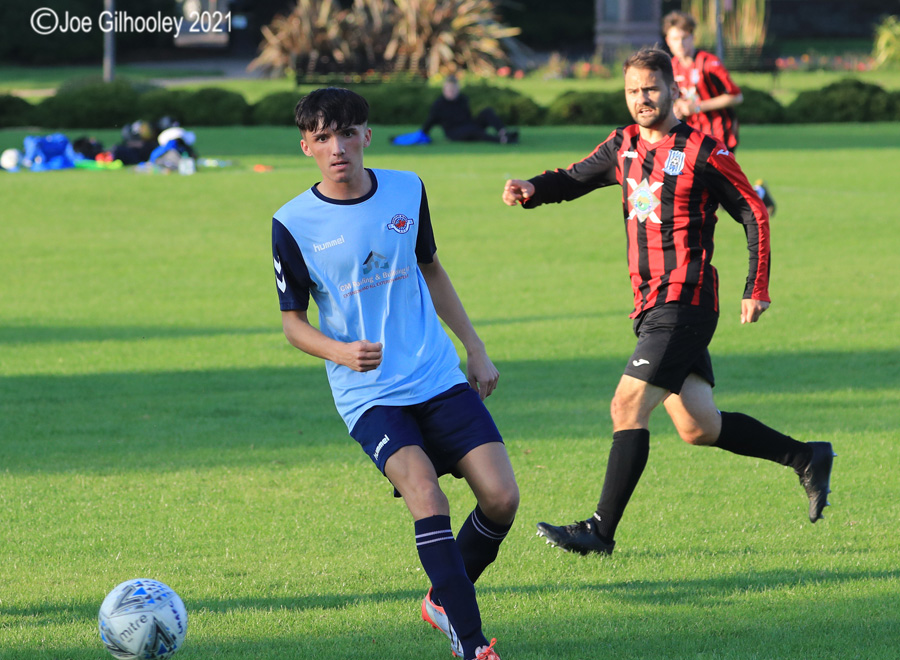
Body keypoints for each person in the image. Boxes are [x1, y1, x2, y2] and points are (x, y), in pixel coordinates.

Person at [501, 47, 833, 557]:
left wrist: (756, 286)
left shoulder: (704, 150)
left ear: (673, 89)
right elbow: (572, 178)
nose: (642, 99)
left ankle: (599, 530)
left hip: (687, 299)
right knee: (700, 427)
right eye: (633, 91)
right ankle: (807, 457)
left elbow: (752, 212)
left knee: (626, 404)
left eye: (651, 88)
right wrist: (532, 189)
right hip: (650, 305)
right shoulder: (622, 145)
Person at [272, 87, 516, 659]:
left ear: (366, 137)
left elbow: (431, 267)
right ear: (306, 145)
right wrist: (338, 351)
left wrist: (474, 348)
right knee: (426, 494)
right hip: (368, 393)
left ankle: (441, 599)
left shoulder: (408, 188)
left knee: (502, 498)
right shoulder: (292, 223)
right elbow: (291, 323)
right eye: (324, 137)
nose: (338, 148)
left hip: (434, 374)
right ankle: (472, 642)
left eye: (348, 133)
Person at [662, 10, 776, 215]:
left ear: (693, 38)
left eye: (684, 38)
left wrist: (697, 107)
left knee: (720, 192)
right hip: (693, 136)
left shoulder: (709, 63)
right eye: (675, 39)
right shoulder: (672, 67)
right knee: (699, 187)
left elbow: (735, 96)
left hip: (720, 133)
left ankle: (756, 195)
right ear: (667, 41)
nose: (680, 44)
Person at [421, 75, 518, 144]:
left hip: (469, 125)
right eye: (449, 90)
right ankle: (501, 140)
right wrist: (423, 134)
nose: (452, 92)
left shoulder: (463, 99)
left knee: (487, 112)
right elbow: (431, 120)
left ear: (458, 89)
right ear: (444, 90)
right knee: (473, 131)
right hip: (454, 132)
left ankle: (504, 132)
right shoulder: (439, 105)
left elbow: (467, 117)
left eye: (454, 89)